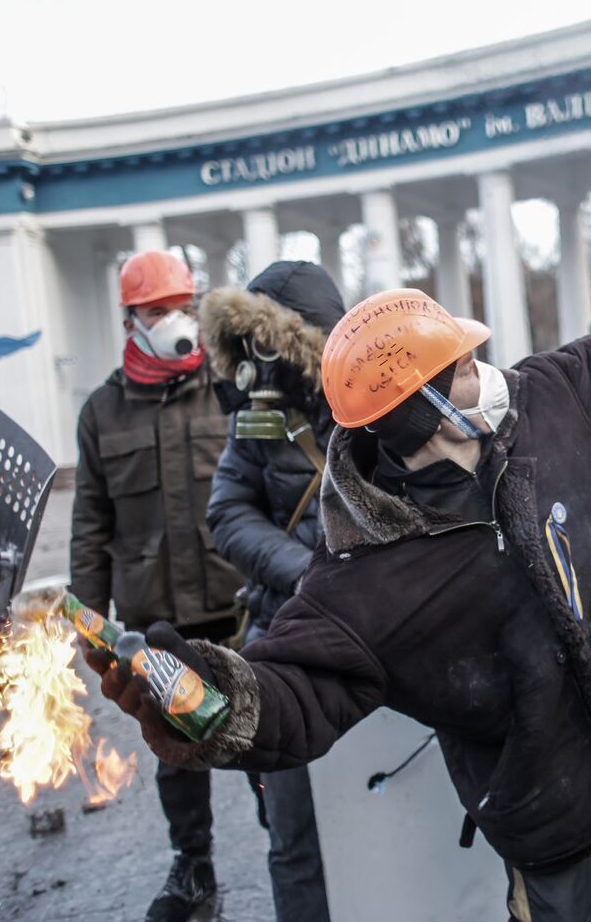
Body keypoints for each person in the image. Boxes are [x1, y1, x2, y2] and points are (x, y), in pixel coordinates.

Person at [91, 272, 591, 921]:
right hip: (534, 783)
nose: (485, 371)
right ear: (416, 411)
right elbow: (291, 692)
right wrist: (208, 696)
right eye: (461, 367)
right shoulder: (360, 577)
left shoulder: (550, 401)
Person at [69, 249, 244, 922]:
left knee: (266, 736)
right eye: (157, 310)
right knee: (177, 753)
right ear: (130, 318)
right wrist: (88, 618)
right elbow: (91, 522)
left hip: (237, 606)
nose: (173, 320)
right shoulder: (102, 412)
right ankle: (194, 867)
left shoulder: (227, 392)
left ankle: (293, 851)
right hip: (155, 614)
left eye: (181, 306)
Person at [198, 260, 343, 922]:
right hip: (283, 640)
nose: (257, 360)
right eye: (248, 343)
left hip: (378, 637)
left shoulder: (380, 399)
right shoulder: (259, 417)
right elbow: (228, 510)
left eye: (268, 341)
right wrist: (304, 570)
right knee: (293, 837)